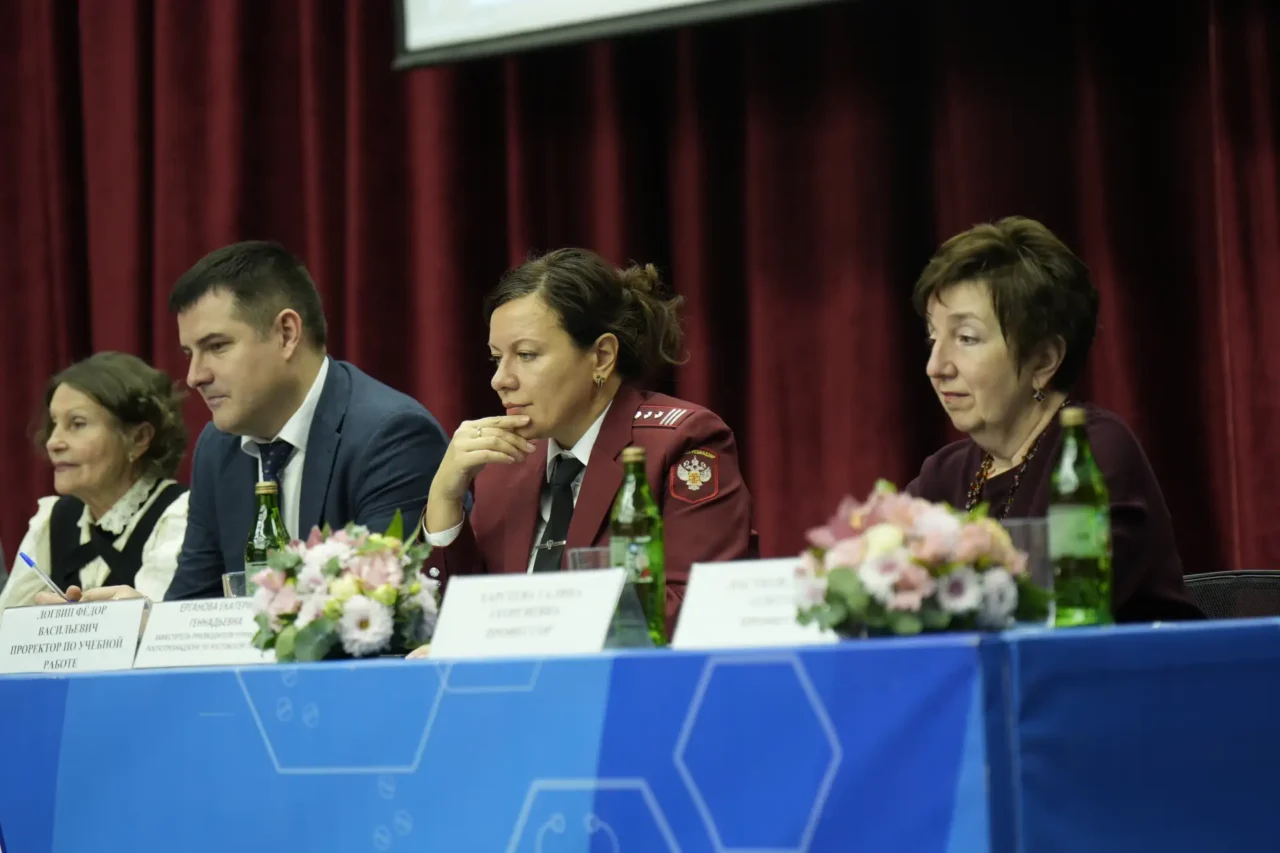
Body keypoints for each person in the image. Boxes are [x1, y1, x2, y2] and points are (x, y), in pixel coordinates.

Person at [40, 241, 451, 604]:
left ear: (286, 334)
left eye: (217, 346)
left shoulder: (390, 437)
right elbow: (194, 604)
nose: (195, 376)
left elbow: (380, 612)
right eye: (189, 354)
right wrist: (140, 622)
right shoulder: (217, 447)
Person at [418, 248, 754, 631]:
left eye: (526, 355)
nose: (500, 380)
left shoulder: (681, 443)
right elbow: (449, 620)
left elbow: (694, 608)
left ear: (602, 356)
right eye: (497, 358)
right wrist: (444, 498)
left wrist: (525, 633)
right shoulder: (503, 464)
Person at [905, 216, 1203, 622]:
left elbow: (1062, 604)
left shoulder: (1091, 453)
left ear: (1044, 360)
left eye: (967, 338)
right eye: (933, 338)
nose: (935, 367)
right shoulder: (943, 475)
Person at [4, 352, 188, 610]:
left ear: (139, 438)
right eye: (55, 424)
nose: (53, 442)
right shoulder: (52, 521)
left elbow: (161, 627)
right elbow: (7, 624)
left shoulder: (179, 517)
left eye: (77, 424)